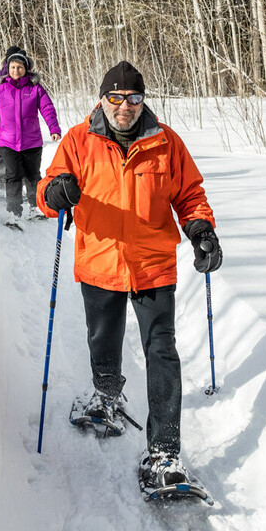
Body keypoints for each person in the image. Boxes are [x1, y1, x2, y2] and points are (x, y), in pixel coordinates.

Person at [35, 60, 222, 496]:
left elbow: (190, 194)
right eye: (116, 98)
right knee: (103, 340)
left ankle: (163, 452)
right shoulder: (80, 140)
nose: (125, 106)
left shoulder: (166, 141)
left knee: (162, 350)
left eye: (134, 98)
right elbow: (48, 189)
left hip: (153, 266)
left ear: (143, 100)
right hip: (100, 263)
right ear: (103, 99)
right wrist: (55, 193)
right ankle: (106, 396)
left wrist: (200, 229)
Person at [0, 48, 61, 225]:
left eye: (20, 67)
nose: (16, 71)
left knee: (32, 176)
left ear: (26, 68)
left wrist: (54, 128)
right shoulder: (0, 90)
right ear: (8, 68)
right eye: (13, 67)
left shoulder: (35, 89)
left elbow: (47, 109)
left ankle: (35, 207)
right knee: (13, 176)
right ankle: (14, 213)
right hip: (7, 142)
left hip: (31, 141)